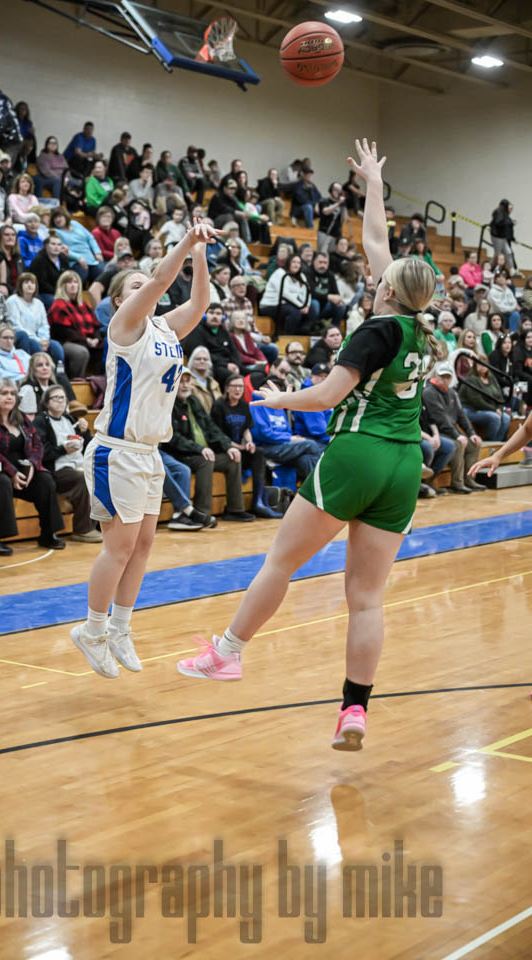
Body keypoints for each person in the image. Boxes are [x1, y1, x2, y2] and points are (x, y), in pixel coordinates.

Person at [176, 139, 439, 756]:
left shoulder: (375, 330)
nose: (374, 270)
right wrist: (374, 183)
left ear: (388, 289)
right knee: (366, 599)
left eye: (381, 275)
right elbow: (377, 241)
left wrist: (276, 399)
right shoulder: (422, 330)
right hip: (405, 463)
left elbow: (325, 397)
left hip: (358, 453)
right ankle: (354, 710)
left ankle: (228, 652)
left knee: (280, 562)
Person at [71, 219, 217, 680]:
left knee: (143, 546)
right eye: (134, 285)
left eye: (144, 283)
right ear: (121, 299)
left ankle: (119, 628)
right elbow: (158, 281)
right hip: (116, 451)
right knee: (119, 548)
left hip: (149, 451)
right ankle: (92, 630)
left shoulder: (164, 329)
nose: (146, 287)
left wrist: (200, 255)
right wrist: (187, 240)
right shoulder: (125, 325)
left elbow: (200, 303)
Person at [0, 378, 65, 555]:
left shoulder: (20, 417)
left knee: (45, 479)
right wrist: (11, 471)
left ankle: (48, 533)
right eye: (4, 393)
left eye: (12, 393)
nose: (9, 397)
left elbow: (37, 443)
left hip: (22, 471)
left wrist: (33, 464)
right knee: (2, 482)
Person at [162, 368, 254, 523]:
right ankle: (201, 512)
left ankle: (235, 510)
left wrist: (228, 446)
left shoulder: (193, 401)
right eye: (181, 382)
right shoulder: (169, 404)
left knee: (233, 459)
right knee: (206, 461)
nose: (185, 385)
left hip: (202, 451)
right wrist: (200, 449)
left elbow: (211, 427)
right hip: (182, 454)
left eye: (187, 381)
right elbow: (173, 438)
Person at [33, 386, 102, 543]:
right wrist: (63, 449)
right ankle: (83, 529)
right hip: (56, 468)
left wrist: (85, 431)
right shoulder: (41, 421)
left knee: (101, 473)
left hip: (77, 463)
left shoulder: (70, 419)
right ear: (46, 402)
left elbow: (87, 444)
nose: (60, 401)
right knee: (82, 478)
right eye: (55, 398)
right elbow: (42, 452)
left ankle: (99, 523)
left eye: (62, 398)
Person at [211, 373, 282, 518]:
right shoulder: (219, 405)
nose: (238, 389)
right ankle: (234, 508)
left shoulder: (244, 405)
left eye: (241, 386)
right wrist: (236, 447)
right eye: (234, 386)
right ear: (227, 388)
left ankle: (259, 502)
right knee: (236, 457)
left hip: (239, 448)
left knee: (259, 454)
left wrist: (249, 442)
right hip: (223, 449)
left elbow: (246, 429)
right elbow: (217, 434)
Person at [422, 362, 484, 493]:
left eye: (448, 377)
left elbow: (462, 415)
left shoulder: (452, 393)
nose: (445, 380)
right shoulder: (429, 392)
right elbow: (440, 419)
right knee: (457, 444)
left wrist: (471, 433)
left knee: (474, 444)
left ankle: (469, 479)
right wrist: (457, 435)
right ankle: (457, 483)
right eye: (442, 376)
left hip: (451, 431)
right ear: (435, 376)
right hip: (438, 432)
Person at [48, 270, 102, 377]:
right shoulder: (59, 305)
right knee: (80, 352)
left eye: (75, 282)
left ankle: (97, 380)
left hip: (86, 341)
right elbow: (63, 331)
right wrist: (86, 340)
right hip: (65, 342)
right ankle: (76, 381)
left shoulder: (84, 305)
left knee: (106, 347)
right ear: (62, 286)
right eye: (69, 282)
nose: (73, 285)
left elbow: (96, 326)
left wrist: (96, 338)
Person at [6, 272, 63, 364]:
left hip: (40, 339)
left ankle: (58, 372)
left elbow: (44, 325)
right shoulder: (12, 301)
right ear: (20, 285)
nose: (30, 285)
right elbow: (16, 326)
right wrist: (38, 340)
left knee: (56, 347)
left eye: (32, 283)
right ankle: (36, 370)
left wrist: (44, 339)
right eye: (26, 282)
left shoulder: (39, 303)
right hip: (21, 338)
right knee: (35, 345)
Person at [181, 303, 244, 386]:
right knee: (234, 378)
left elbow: (234, 351)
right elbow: (199, 354)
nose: (214, 316)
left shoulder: (224, 331)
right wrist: (226, 365)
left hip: (229, 365)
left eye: (218, 313)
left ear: (223, 317)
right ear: (205, 315)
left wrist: (236, 365)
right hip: (213, 366)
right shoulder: (196, 330)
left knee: (256, 374)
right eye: (211, 313)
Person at [259, 253, 317, 337]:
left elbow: (307, 292)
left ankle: (302, 333)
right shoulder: (279, 273)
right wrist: (300, 306)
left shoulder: (301, 276)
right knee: (294, 312)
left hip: (290, 305)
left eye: (298, 263)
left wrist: (306, 305)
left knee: (312, 309)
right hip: (270, 305)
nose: (296, 265)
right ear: (288, 263)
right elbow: (285, 294)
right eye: (294, 262)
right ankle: (288, 337)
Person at [458, 358, 510, 442]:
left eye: (484, 364)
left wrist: (499, 409)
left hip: (489, 409)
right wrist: (494, 409)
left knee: (506, 418)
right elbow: (476, 401)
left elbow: (499, 397)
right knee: (495, 417)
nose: (482, 366)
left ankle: (498, 443)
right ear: (475, 366)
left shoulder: (491, 378)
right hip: (470, 409)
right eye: (480, 364)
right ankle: (490, 442)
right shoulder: (472, 379)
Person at [49, 206, 103, 284]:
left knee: (102, 278)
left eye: (60, 216)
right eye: (55, 218)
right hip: (75, 262)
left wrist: (97, 252)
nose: (58, 219)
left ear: (65, 216)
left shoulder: (75, 223)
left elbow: (90, 237)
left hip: (91, 259)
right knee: (81, 275)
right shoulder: (55, 232)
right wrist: (78, 258)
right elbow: (61, 249)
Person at [292, 362, 332, 454]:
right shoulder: (308, 396)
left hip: (323, 438)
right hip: (314, 440)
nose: (323, 379)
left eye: (326, 376)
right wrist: (335, 440)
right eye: (319, 375)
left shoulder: (324, 394)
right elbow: (318, 429)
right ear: (311, 376)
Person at [30, 232, 70, 309]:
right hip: (44, 293)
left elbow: (68, 276)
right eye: (53, 244)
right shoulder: (39, 260)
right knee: (56, 302)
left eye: (59, 244)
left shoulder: (63, 258)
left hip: (61, 292)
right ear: (46, 246)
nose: (56, 247)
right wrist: (59, 292)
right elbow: (41, 283)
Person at [187, 345, 222, 413]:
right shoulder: (188, 382)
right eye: (198, 359)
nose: (202, 361)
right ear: (192, 361)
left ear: (209, 363)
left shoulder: (214, 383)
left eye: (205, 359)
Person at [317, 181, 348, 254]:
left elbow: (345, 218)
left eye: (339, 190)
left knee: (332, 255)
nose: (338, 192)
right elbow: (325, 211)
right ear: (330, 190)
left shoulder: (341, 204)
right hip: (324, 232)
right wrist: (338, 203)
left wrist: (343, 206)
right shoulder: (324, 200)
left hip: (336, 234)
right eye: (335, 190)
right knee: (322, 254)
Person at [489, 199, 515, 274]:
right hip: (497, 236)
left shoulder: (504, 213)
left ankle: (512, 269)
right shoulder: (499, 212)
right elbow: (499, 222)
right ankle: (490, 268)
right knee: (497, 254)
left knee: (508, 252)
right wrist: (509, 222)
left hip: (502, 236)